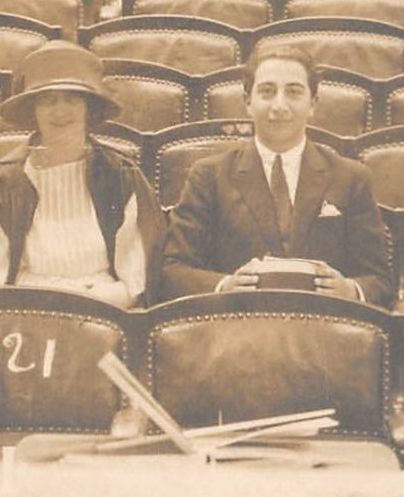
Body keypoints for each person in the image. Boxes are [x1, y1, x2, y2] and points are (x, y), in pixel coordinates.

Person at [159, 46, 391, 307]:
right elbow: (173, 270)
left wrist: (350, 290)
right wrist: (223, 286)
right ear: (248, 102)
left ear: (313, 104)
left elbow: (380, 281)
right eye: (267, 92)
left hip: (323, 332)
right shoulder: (209, 176)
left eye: (293, 92)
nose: (279, 105)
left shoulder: (351, 178)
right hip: (238, 326)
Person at [0, 43, 161, 309]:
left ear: (89, 108)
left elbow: (136, 280)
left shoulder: (121, 176)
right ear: (33, 111)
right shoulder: (5, 182)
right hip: (28, 313)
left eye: (72, 99)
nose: (60, 110)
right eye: (48, 100)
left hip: (105, 311)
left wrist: (86, 308)